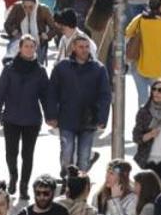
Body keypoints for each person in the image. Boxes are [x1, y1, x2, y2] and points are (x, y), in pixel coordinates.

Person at [0, 34, 51, 197]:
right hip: (11, 118)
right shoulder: (9, 69)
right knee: (11, 153)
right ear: (20, 48)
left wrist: (50, 116)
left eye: (32, 47)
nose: (29, 49)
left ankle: (24, 185)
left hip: (32, 119)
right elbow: (0, 94)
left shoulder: (40, 71)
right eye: (26, 46)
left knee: (28, 154)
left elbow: (45, 96)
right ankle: (13, 177)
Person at [47, 34, 112, 174]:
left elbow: (105, 95)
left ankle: (81, 184)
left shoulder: (98, 69)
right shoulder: (62, 67)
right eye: (81, 47)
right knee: (67, 153)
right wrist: (51, 115)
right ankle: (66, 179)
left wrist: (102, 118)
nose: (84, 50)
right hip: (66, 118)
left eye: (87, 47)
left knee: (83, 157)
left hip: (89, 120)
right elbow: (51, 93)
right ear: (73, 48)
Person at [125, 0, 161, 108]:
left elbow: (128, 32)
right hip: (157, 67)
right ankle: (153, 123)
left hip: (138, 64)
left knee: (142, 97)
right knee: (157, 98)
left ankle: (142, 122)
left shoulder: (140, 19)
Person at [4, 0, 56, 65]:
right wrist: (12, 31)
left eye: (31, 7)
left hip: (38, 42)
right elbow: (7, 24)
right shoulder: (17, 7)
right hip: (20, 40)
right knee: (12, 61)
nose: (28, 9)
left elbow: (54, 28)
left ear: (35, 4)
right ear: (22, 4)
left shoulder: (43, 10)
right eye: (25, 7)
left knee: (37, 67)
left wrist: (47, 35)